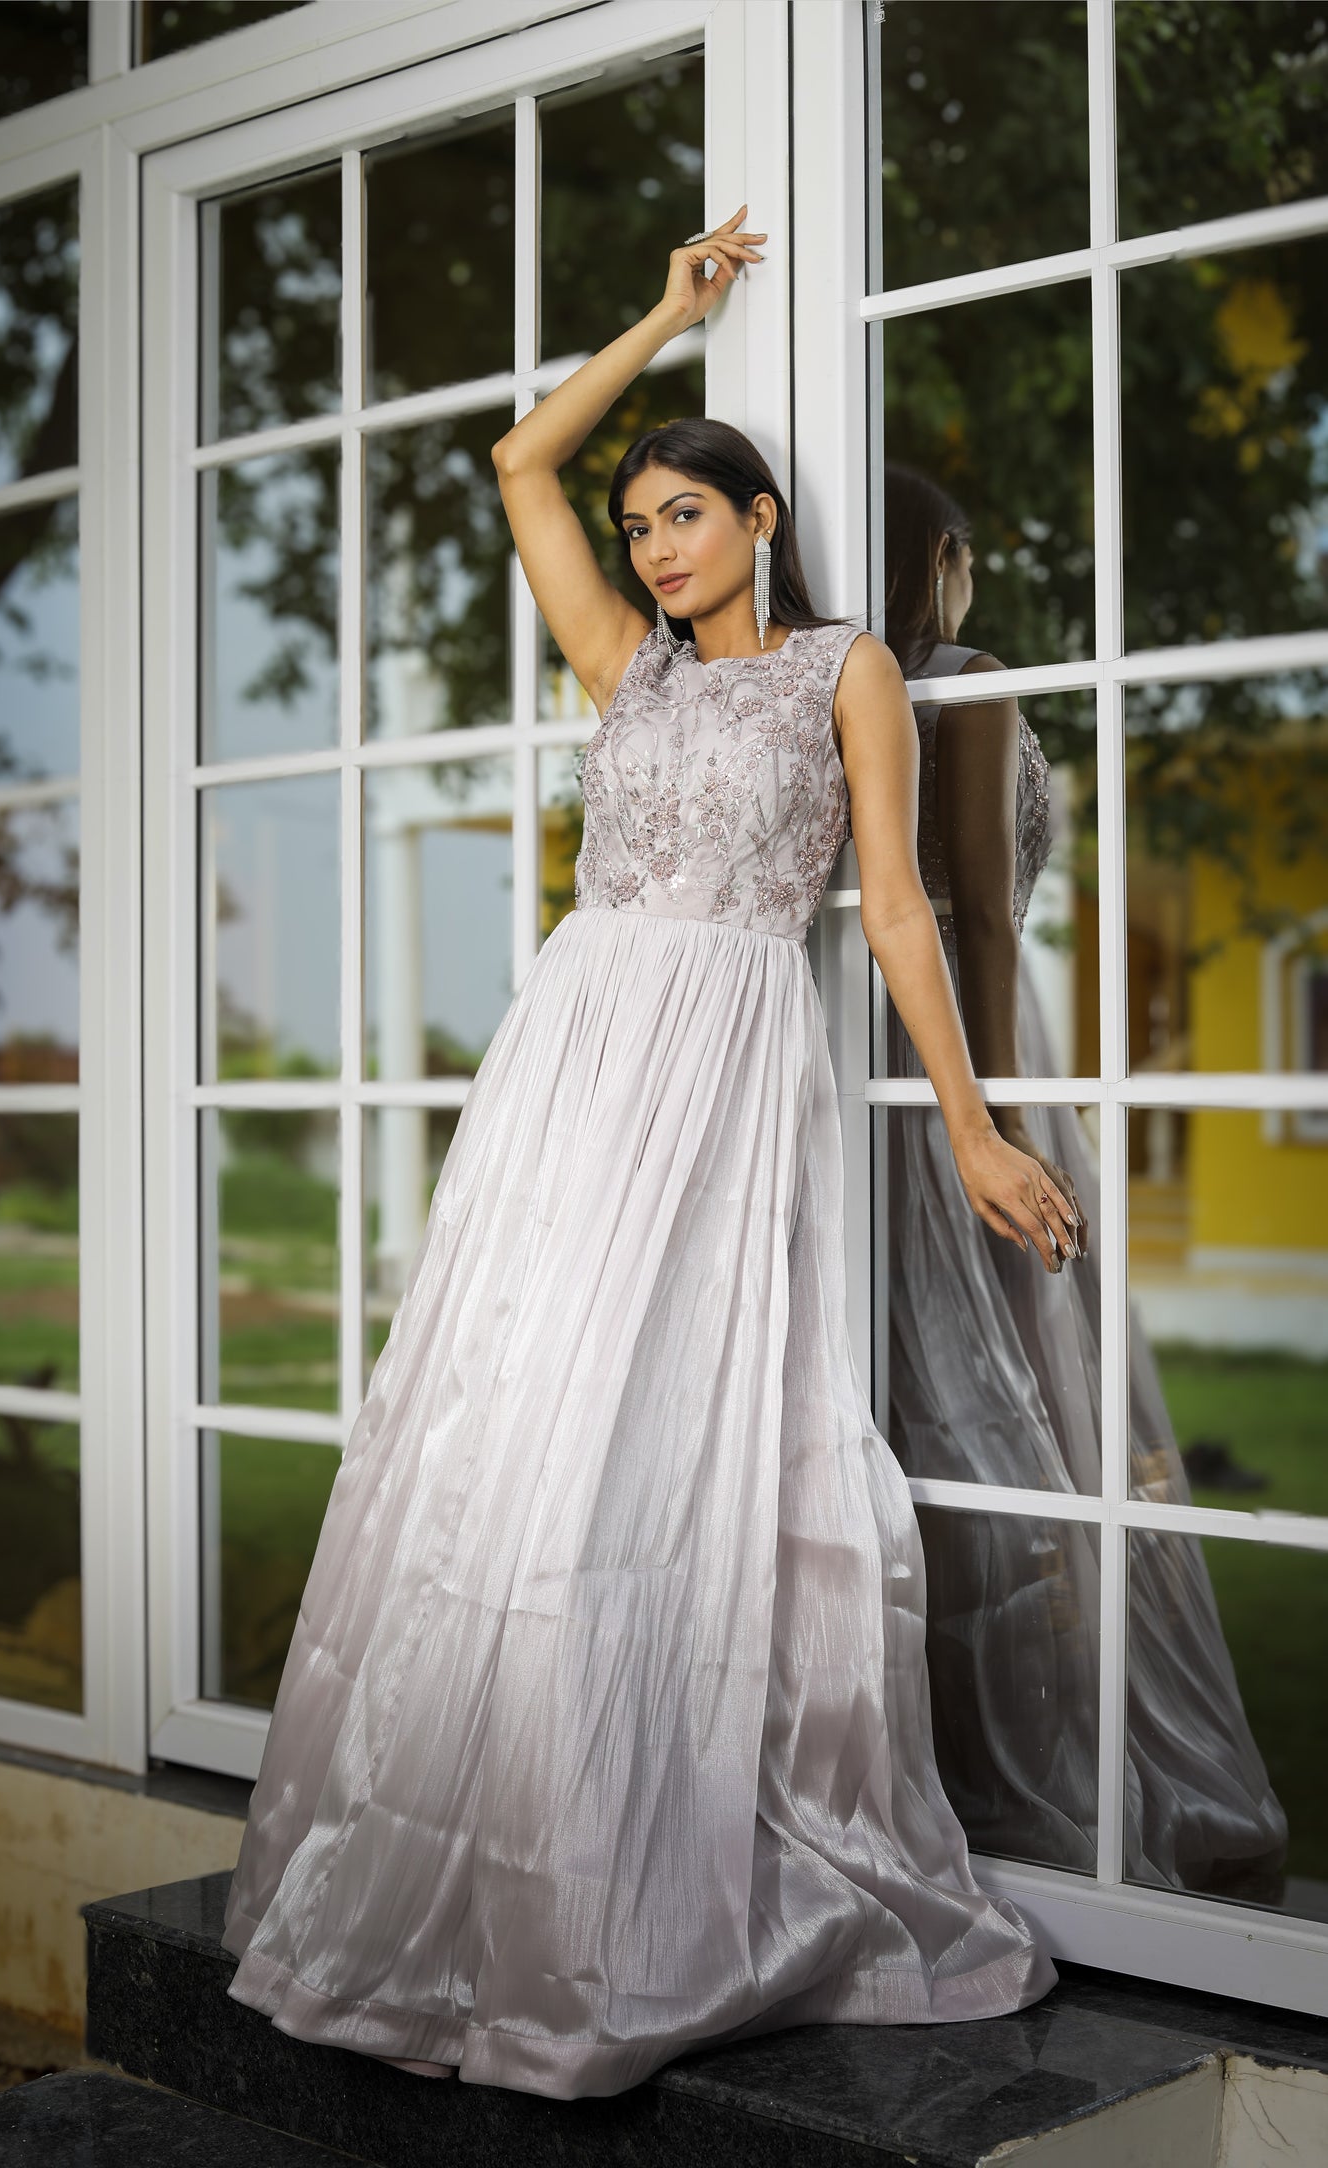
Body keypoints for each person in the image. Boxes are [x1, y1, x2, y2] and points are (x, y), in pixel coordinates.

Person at [219, 213, 1066, 2102]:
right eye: (639, 528)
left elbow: (903, 918)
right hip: (577, 1055)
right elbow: (518, 462)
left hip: (734, 1052)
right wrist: (660, 320)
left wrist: (969, 1119)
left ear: (758, 520)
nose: (649, 547)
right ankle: (498, 1854)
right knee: (517, 1419)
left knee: (693, 1423)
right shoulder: (630, 670)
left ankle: (666, 1846)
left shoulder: (844, 670)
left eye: (681, 514)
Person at [880, 461, 1287, 1902]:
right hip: (960, 1058)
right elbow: (982, 917)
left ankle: (929, 1768)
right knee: (1015, 1409)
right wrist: (988, 1118)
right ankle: (1029, 1780)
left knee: (915, 1405)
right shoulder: (960, 676)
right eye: (970, 561)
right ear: (943, 557)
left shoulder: (832, 684)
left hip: (859, 1051)